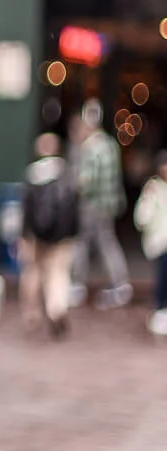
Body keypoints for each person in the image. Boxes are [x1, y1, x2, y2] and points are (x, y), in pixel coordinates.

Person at [69, 99, 132, 310]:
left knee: (84, 242)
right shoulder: (110, 144)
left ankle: (78, 285)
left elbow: (86, 181)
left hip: (92, 205)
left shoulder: (90, 147)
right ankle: (120, 283)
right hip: (109, 204)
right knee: (107, 241)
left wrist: (73, 187)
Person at [19, 132, 79, 338]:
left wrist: (25, 234)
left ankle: (32, 314)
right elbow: (73, 207)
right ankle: (56, 308)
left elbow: (25, 208)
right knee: (58, 272)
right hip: (62, 236)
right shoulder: (66, 172)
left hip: (38, 236)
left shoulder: (32, 174)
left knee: (34, 271)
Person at [134, 151, 167, 336]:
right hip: (161, 242)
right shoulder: (153, 189)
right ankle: (160, 308)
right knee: (162, 275)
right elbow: (141, 218)